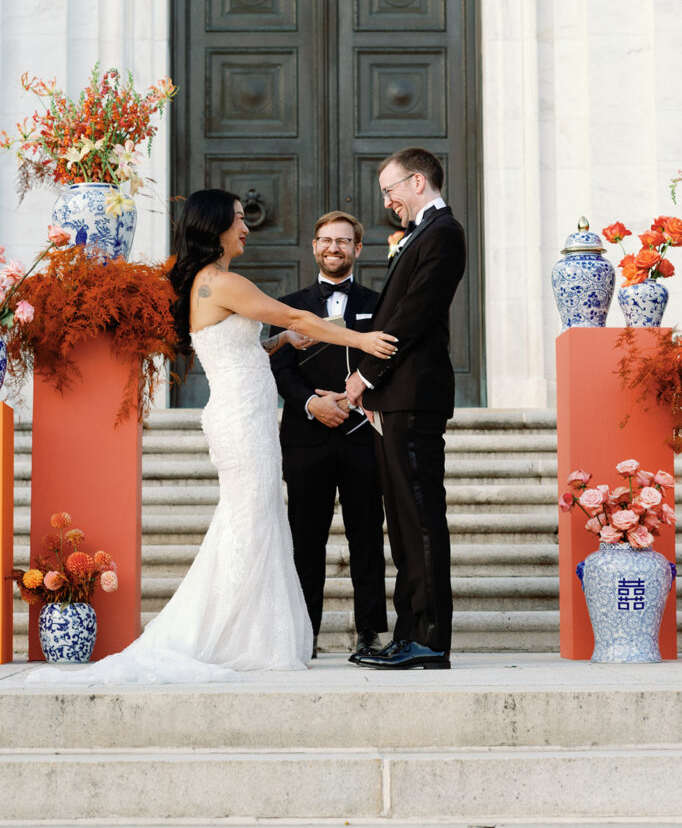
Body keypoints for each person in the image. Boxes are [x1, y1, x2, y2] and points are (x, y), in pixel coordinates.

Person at [25, 189, 397, 684]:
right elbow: (296, 314)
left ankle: (248, 631)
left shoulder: (206, 284)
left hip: (244, 416)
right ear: (217, 226)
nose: (247, 227)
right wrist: (361, 339)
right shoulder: (223, 282)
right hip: (242, 422)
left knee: (253, 521)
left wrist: (281, 343)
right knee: (248, 524)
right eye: (240, 219)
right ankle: (224, 633)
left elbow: (241, 349)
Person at [345, 148, 466, 671]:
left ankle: (429, 638)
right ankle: (407, 631)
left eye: (391, 189)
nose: (388, 201)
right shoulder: (420, 234)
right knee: (402, 520)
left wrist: (366, 376)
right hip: (396, 399)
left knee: (418, 518)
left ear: (417, 181)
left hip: (414, 395)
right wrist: (375, 397)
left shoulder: (444, 233)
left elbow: (413, 315)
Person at [269, 211, 387, 660]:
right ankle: (305, 633)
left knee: (367, 539)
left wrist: (356, 396)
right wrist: (310, 403)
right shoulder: (288, 304)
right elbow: (278, 367)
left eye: (343, 241)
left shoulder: (380, 303)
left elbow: (386, 359)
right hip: (306, 438)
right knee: (305, 540)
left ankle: (370, 633)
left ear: (357, 249)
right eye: (325, 240)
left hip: (362, 435)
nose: (333, 248)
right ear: (314, 247)